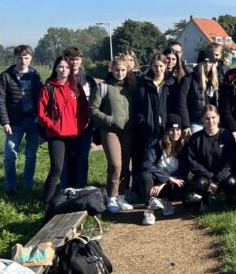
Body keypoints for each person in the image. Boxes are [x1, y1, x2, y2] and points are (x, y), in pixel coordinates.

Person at [38, 56, 89, 207]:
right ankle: (47, 203)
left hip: (74, 134)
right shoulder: (48, 88)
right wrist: (53, 127)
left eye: (66, 67)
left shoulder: (76, 87)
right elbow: (41, 115)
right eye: (60, 67)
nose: (64, 70)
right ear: (55, 68)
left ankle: (71, 198)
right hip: (56, 136)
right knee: (57, 168)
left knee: (74, 166)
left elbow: (83, 109)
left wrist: (82, 125)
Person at [89, 53, 137, 213]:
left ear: (127, 70)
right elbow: (93, 109)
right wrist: (110, 120)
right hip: (109, 131)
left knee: (124, 166)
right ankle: (111, 197)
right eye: (117, 70)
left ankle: (121, 196)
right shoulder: (103, 86)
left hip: (128, 131)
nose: (120, 73)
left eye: (123, 70)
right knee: (115, 164)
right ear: (112, 69)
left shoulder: (130, 87)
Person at [0, 44, 42, 198]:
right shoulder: (5, 76)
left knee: (31, 155)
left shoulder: (36, 76)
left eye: (26, 57)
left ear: (31, 58)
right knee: (9, 155)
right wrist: (5, 122)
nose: (23, 60)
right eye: (19, 57)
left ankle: (28, 185)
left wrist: (40, 117)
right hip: (14, 122)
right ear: (14, 58)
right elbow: (0, 100)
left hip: (33, 120)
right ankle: (11, 187)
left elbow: (42, 98)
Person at [137, 114, 189, 225]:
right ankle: (149, 210)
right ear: (166, 131)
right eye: (172, 130)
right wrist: (166, 178)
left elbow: (183, 170)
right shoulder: (156, 143)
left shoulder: (184, 145)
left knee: (182, 184)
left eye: (178, 129)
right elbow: (147, 164)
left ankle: (165, 200)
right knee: (145, 175)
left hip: (168, 184)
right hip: (153, 181)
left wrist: (163, 183)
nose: (175, 133)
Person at [184, 106, 236, 212]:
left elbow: (231, 161)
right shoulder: (195, 138)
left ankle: (228, 200)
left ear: (218, 118)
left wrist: (217, 179)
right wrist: (210, 177)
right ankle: (206, 198)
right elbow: (191, 161)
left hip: (223, 176)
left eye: (213, 117)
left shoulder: (227, 135)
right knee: (200, 183)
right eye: (207, 118)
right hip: (204, 176)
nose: (210, 121)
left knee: (231, 182)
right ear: (202, 120)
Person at [135, 53, 175, 178]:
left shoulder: (170, 83)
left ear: (165, 65)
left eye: (161, 66)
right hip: (149, 129)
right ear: (151, 66)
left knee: (165, 160)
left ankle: (165, 185)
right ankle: (143, 187)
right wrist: (143, 121)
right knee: (148, 160)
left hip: (166, 128)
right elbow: (138, 106)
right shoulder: (143, 83)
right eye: (155, 66)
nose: (158, 69)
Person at [63, 46, 94, 188]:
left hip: (86, 125)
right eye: (71, 59)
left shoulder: (88, 79)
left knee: (83, 157)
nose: (74, 62)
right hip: (67, 125)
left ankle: (81, 187)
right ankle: (67, 188)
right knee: (69, 157)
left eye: (77, 59)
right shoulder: (62, 78)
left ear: (81, 60)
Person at [180, 50, 220, 134]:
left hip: (212, 122)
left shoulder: (215, 80)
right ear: (200, 63)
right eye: (205, 62)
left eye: (210, 62)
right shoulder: (189, 79)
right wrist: (186, 125)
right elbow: (182, 101)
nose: (207, 65)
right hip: (196, 122)